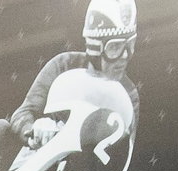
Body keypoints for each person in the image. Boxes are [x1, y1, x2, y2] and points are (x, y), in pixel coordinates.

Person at [8, 0, 141, 151]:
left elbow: (123, 151)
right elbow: (22, 114)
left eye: (130, 45)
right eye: (115, 46)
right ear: (95, 47)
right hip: (41, 157)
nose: (125, 55)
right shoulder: (62, 65)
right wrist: (34, 129)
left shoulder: (128, 93)